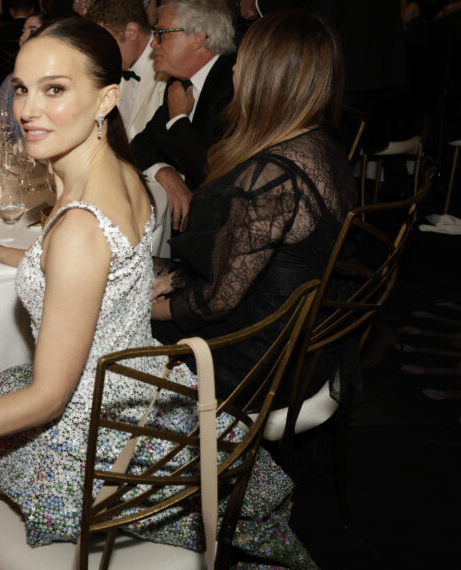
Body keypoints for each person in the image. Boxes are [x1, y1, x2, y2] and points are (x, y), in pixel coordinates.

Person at [0, 18, 313, 565]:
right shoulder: (121, 171)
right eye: (22, 88)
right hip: (138, 390)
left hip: (93, 440)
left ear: (105, 100)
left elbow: (48, 396)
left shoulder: (78, 227)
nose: (26, 108)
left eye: (55, 89)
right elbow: (100, 272)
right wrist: (16, 256)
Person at [150, 11, 357, 403]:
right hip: (294, 333)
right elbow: (259, 266)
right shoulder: (323, 144)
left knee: (107, 316)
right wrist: (173, 282)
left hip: (256, 364)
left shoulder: (273, 176)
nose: (233, 74)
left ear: (266, 78)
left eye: (242, 63)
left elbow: (218, 300)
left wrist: (150, 310)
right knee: (129, 266)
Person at [130, 0, 236, 231]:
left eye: (161, 33)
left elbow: (216, 178)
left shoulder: (234, 87)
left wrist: (178, 119)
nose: (153, 44)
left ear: (198, 37)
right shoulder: (180, 82)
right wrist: (166, 174)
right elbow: (140, 144)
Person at [86, 0, 167, 141]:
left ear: (131, 32)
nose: (101, 52)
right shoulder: (110, 67)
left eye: (107, 42)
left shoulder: (171, 64)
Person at [0, 11, 44, 137]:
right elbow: (0, 129)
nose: (22, 37)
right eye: (23, 31)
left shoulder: (57, 83)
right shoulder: (10, 82)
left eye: (32, 31)